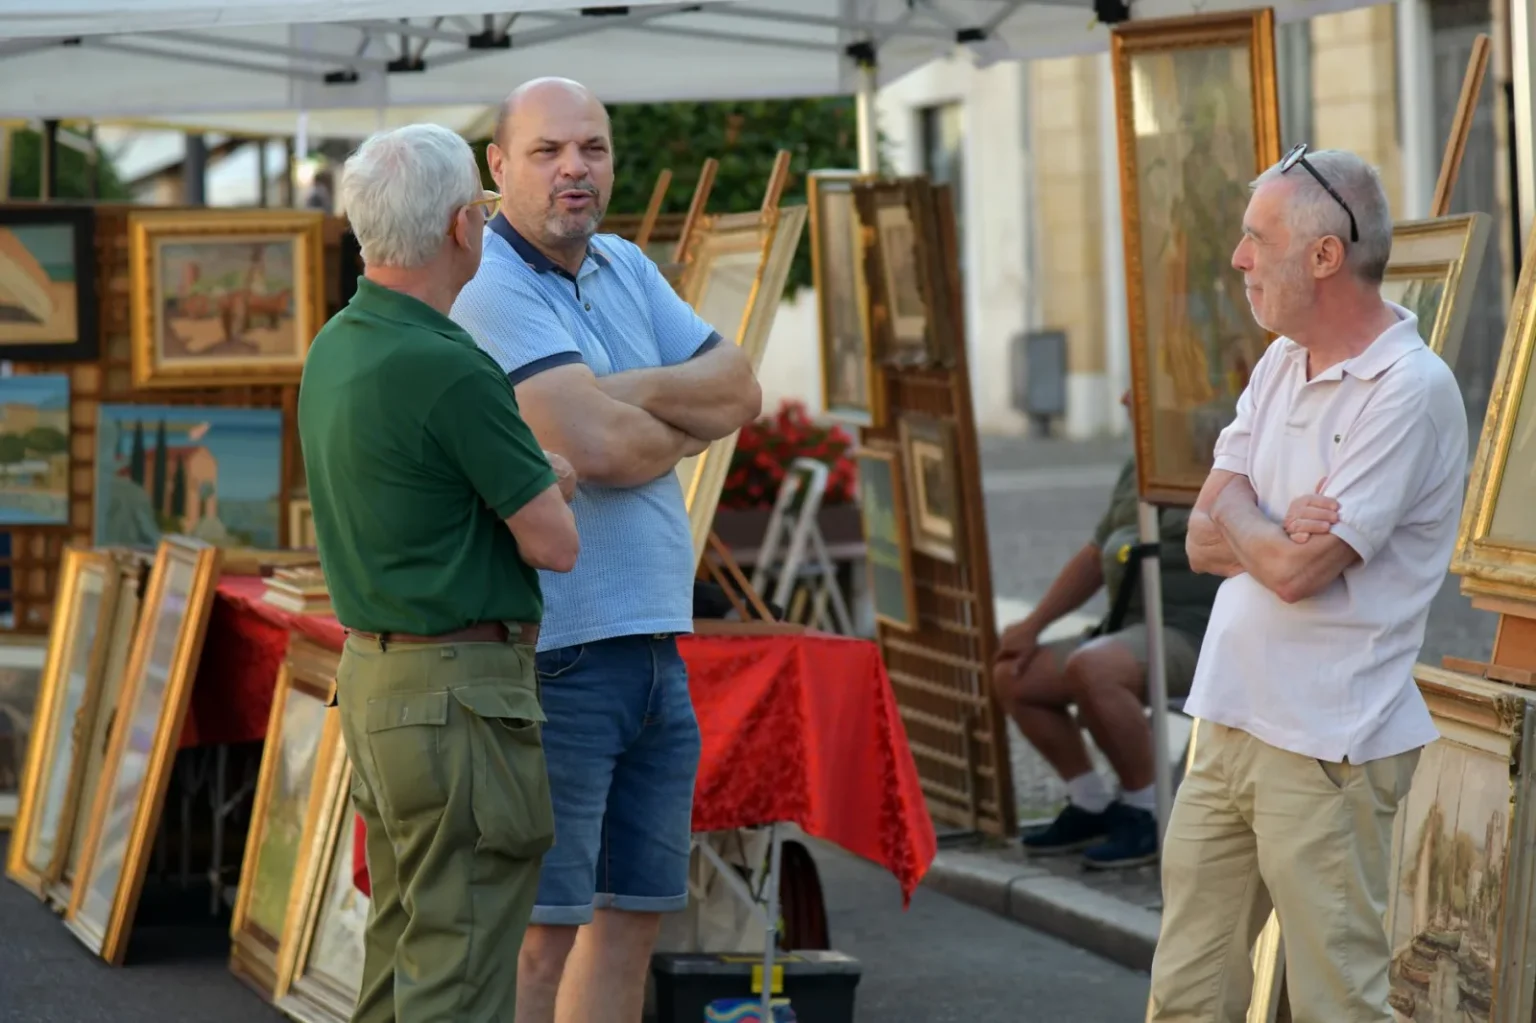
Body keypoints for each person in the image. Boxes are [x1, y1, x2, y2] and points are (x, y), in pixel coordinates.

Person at [450, 77, 763, 1023]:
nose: (574, 169)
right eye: (547, 152)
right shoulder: (485, 288)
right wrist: (670, 417)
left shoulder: (625, 263)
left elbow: (740, 391)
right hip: (559, 654)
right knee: (542, 933)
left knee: (635, 919)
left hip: (657, 644)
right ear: (498, 169)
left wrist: (616, 388)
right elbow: (602, 450)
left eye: (591, 148)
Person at [1147, 146, 1467, 1022]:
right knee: (1186, 994)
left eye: (1257, 238)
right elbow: (1200, 534)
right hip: (1230, 719)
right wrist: (1267, 520)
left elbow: (1292, 571)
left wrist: (1248, 516)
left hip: (1329, 743)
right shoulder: (1285, 360)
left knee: (1337, 1002)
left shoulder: (1410, 389)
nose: (1239, 259)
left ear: (1324, 256)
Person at [297, 122, 581, 1023]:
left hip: (381, 679)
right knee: (455, 977)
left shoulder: (338, 341)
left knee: (405, 956)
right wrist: (552, 476)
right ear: (464, 224)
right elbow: (555, 542)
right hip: (459, 693)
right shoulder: (450, 364)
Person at [993, 391, 1222, 870]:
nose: (1121, 399)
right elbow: (1096, 553)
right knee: (1016, 674)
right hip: (1133, 624)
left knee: (1095, 670)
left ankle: (1146, 811)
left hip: (1200, 633)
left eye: (1139, 390)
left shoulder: (1230, 460)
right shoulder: (1140, 466)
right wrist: (1033, 626)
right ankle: (1091, 802)